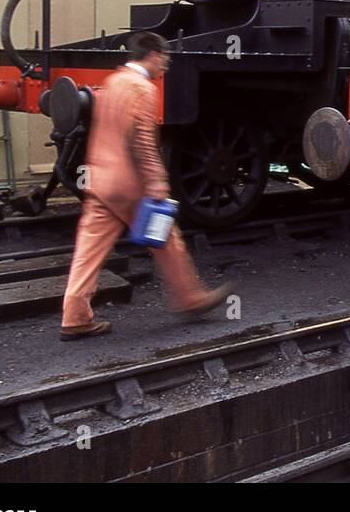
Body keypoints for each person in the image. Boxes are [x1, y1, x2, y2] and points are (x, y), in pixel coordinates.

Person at [59, 32, 231, 340]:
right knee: (167, 240)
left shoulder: (114, 82)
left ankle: (75, 315)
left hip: (101, 182)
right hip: (130, 186)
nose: (165, 64)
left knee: (88, 250)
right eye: (164, 58)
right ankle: (189, 297)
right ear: (151, 55)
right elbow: (141, 142)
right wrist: (156, 183)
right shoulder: (143, 89)